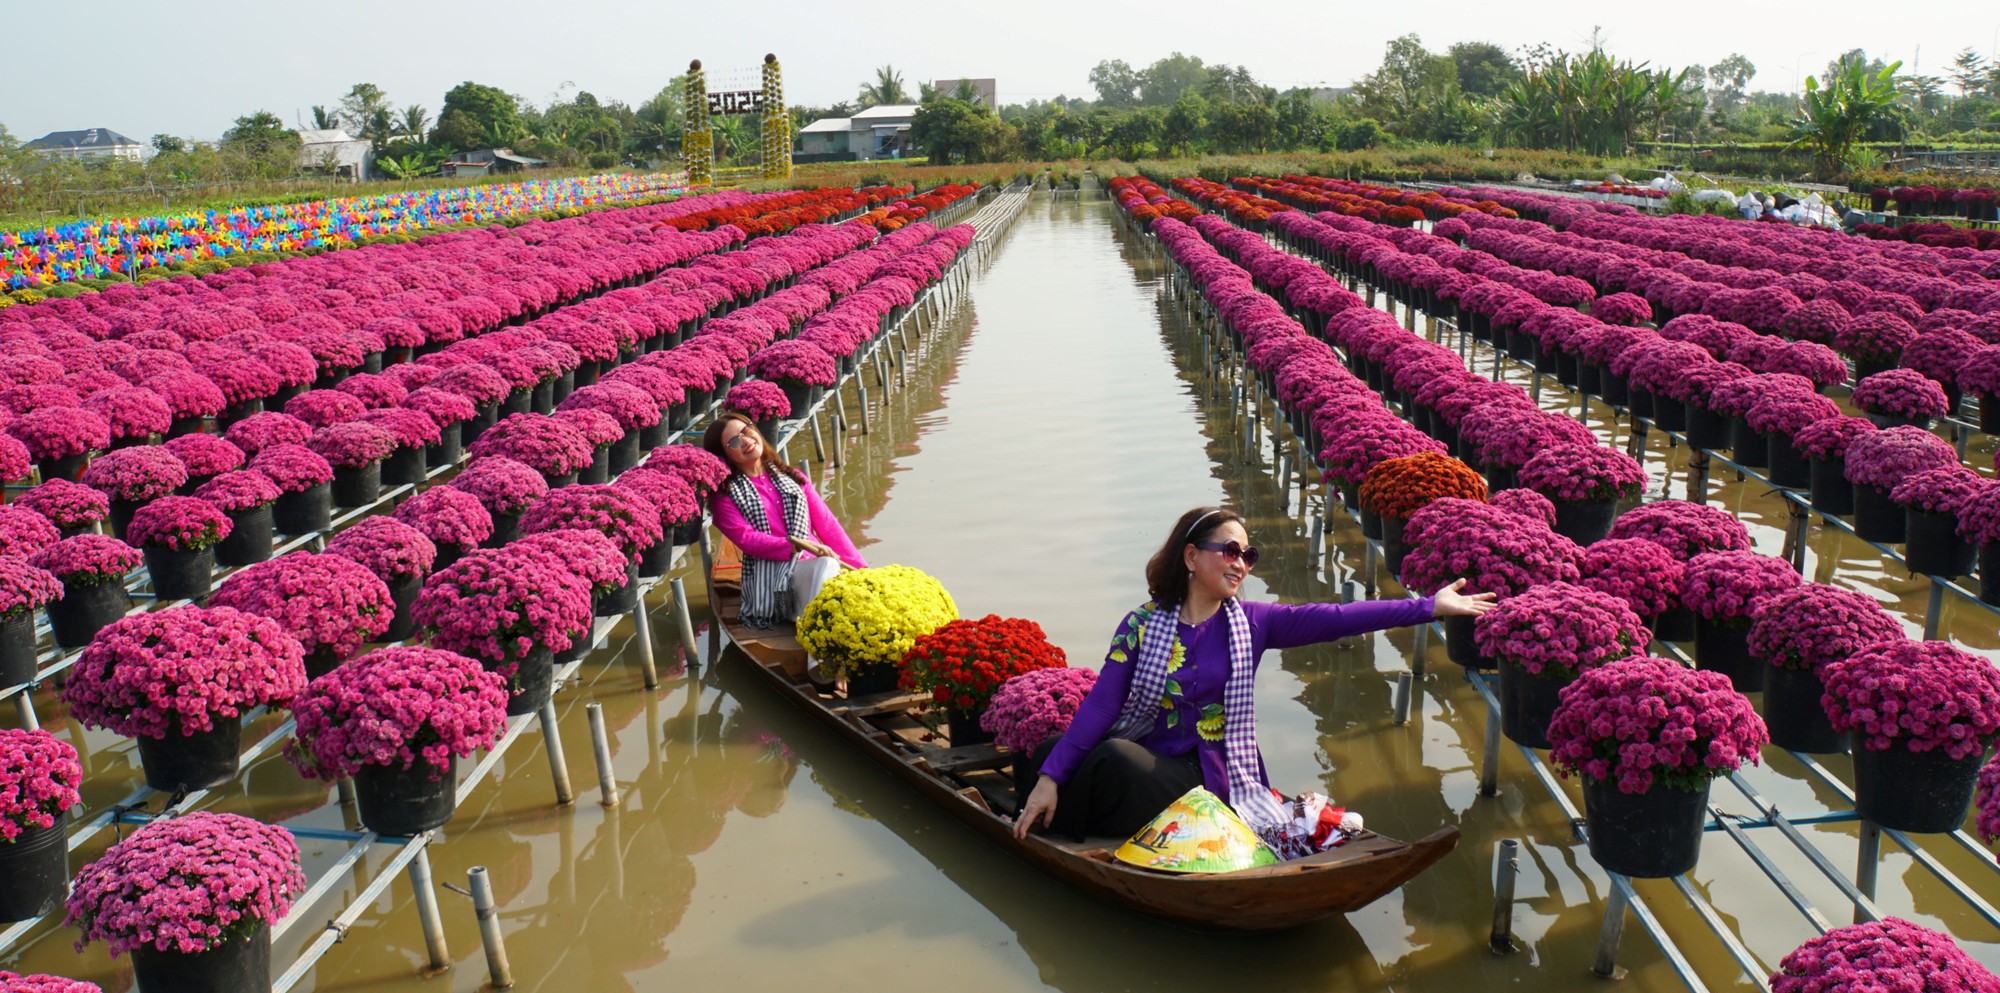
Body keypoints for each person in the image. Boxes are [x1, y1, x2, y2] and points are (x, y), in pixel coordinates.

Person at [1012, 506, 1494, 852]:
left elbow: (1339, 615)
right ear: (1191, 557)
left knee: (1113, 762)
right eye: (1230, 550)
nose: (1241, 562)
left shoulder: (1254, 622)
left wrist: (1427, 606)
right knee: (1042, 753)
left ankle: (1085, 823)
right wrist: (1050, 777)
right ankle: (1062, 815)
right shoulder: (1141, 625)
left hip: (1210, 774)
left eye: (1249, 554)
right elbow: (1101, 706)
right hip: (1149, 756)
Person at [702, 411, 866, 628]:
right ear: (724, 455)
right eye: (734, 441)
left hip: (816, 565)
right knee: (827, 567)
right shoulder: (724, 497)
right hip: (774, 578)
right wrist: (793, 546)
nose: (746, 441)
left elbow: (827, 525)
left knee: (838, 578)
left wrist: (862, 571)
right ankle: (814, 648)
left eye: (746, 430)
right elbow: (747, 540)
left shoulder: (792, 476)